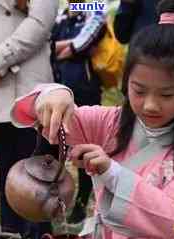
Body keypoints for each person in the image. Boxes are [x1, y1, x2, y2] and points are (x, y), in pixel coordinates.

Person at [11, 0, 174, 239]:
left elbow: (173, 218)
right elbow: (36, 114)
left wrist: (110, 171)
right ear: (126, 81)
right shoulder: (108, 122)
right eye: (139, 91)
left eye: (166, 94)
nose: (150, 105)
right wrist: (56, 94)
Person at [0, 0, 59, 239]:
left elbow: (40, 22)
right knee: (5, 169)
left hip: (27, 82)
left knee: (35, 169)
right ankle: (9, 238)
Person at [50, 2, 105, 223]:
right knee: (53, 146)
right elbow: (48, 46)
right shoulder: (60, 14)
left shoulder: (94, 6)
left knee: (84, 150)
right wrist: (65, 47)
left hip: (85, 89)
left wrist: (68, 48)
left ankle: (82, 203)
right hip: (55, 89)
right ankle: (53, 203)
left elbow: (88, 38)